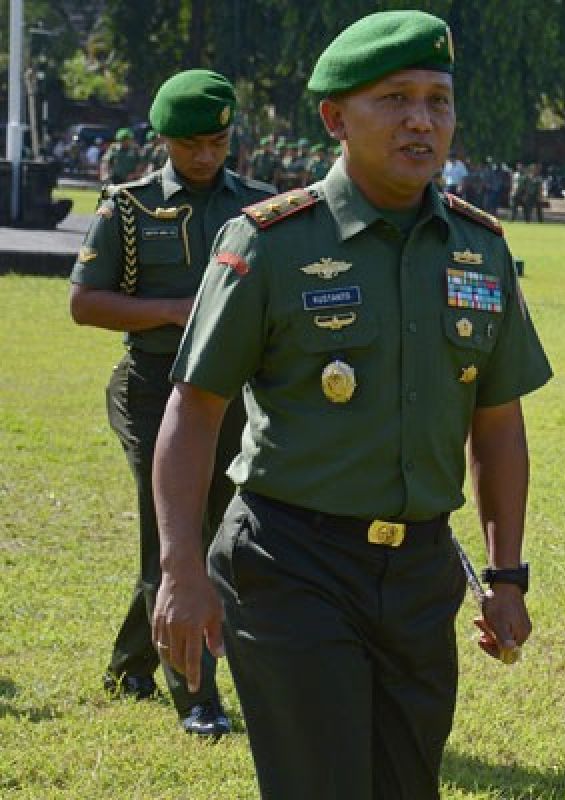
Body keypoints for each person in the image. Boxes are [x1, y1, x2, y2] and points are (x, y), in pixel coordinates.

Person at [150, 11, 552, 799]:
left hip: (418, 571)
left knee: (407, 784)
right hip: (291, 561)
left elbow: (498, 422)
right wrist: (179, 569)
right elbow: (193, 411)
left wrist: (506, 575)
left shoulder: (481, 247)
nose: (422, 120)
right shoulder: (270, 242)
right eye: (395, 98)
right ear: (336, 118)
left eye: (438, 100)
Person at [68, 69, 274, 737]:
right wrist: (177, 312)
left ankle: (131, 664)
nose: (206, 157)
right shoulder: (128, 207)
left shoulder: (263, 207)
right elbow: (84, 302)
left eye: (217, 142)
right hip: (152, 388)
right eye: (191, 145)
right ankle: (197, 699)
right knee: (174, 535)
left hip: (231, 392)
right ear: (163, 140)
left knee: (205, 534)